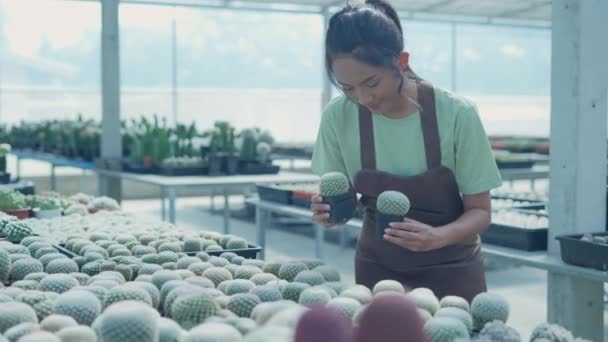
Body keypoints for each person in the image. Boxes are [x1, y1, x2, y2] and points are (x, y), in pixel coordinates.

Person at [309, 0, 502, 302]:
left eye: (371, 82)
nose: (363, 97)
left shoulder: (456, 113)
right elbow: (342, 202)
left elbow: (480, 211)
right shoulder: (338, 116)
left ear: (401, 61)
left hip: (452, 269)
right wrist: (329, 212)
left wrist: (437, 237)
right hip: (378, 269)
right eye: (347, 88)